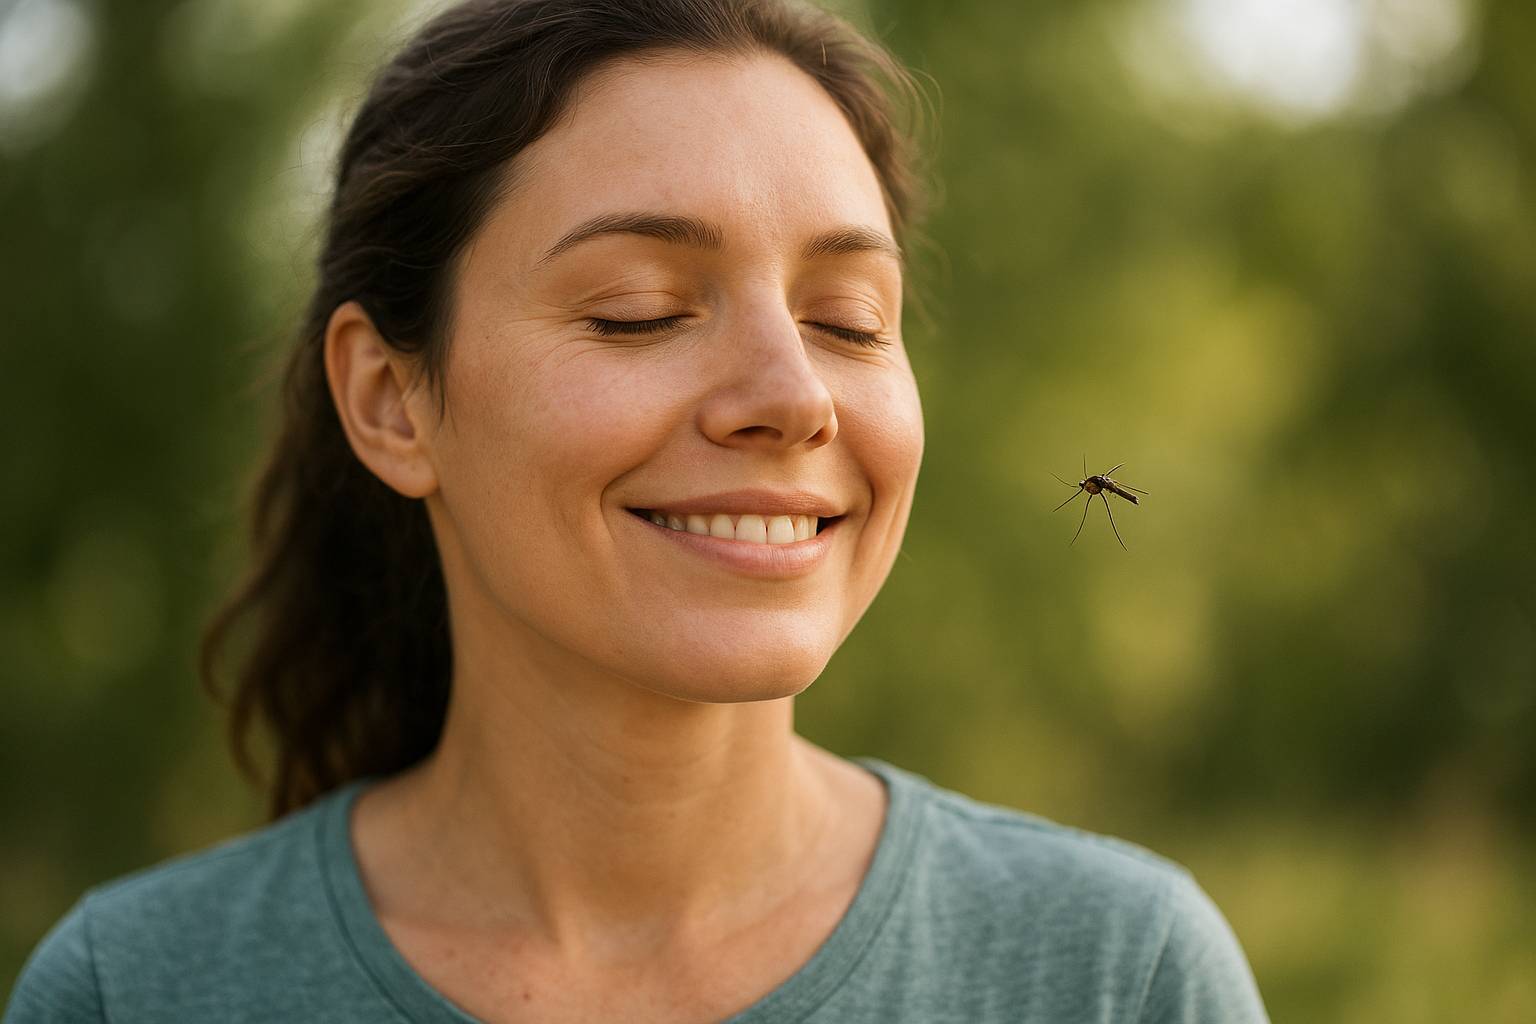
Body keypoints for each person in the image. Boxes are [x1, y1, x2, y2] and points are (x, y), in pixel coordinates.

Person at [4, 0, 1269, 1020]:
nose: (793, 396)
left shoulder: (1114, 976)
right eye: (639, 312)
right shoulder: (137, 990)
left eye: (849, 322)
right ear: (392, 399)